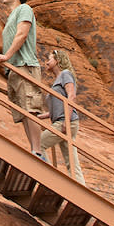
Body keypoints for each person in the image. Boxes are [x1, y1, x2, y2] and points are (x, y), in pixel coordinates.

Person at [0, 0, 42, 158]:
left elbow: (22, 34)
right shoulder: (13, 14)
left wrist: (6, 57)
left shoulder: (24, 9)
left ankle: (38, 151)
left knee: (30, 109)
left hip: (25, 65)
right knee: (23, 112)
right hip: (15, 68)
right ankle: (34, 150)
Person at [38, 48, 86, 183]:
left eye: (50, 59)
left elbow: (71, 96)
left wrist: (66, 119)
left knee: (39, 144)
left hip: (66, 121)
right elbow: (57, 107)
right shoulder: (58, 79)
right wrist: (41, 116)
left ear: (58, 60)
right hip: (64, 120)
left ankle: (50, 179)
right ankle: (80, 191)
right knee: (71, 159)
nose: (47, 62)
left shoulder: (65, 74)